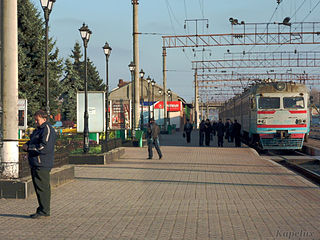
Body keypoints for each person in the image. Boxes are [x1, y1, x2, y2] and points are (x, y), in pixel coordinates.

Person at [23, 110, 56, 219]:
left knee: (43, 188)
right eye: (35, 119)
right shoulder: (38, 130)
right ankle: (41, 209)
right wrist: (27, 144)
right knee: (39, 188)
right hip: (35, 162)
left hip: (42, 163)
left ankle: (45, 210)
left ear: (44, 119)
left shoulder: (47, 129)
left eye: (37, 119)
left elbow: (44, 147)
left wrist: (29, 148)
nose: (36, 121)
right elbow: (32, 141)